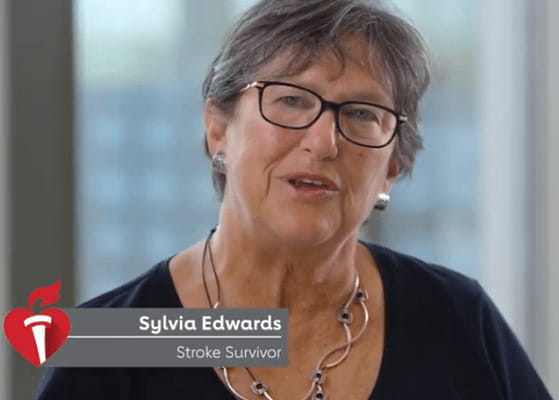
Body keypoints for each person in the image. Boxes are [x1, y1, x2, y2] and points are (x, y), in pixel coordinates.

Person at [35, 0, 552, 399]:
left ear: (391, 167)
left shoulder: (457, 321)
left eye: (362, 114)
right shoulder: (113, 349)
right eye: (290, 100)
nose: (324, 141)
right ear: (219, 128)